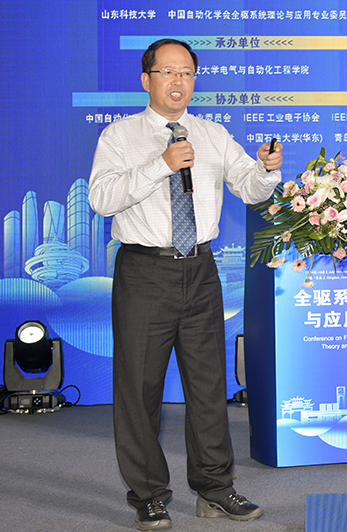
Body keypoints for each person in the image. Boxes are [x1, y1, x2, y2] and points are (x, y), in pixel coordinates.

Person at [89, 38, 282, 531]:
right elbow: (101, 199)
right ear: (146, 79)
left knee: (207, 386)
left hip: (200, 270)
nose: (179, 82)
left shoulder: (213, 134)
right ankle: (148, 495)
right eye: (169, 72)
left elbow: (250, 189)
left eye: (187, 73)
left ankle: (214, 489)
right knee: (139, 389)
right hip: (144, 271)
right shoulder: (119, 135)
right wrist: (162, 164)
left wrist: (266, 169)